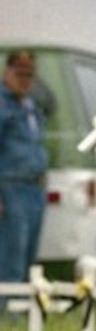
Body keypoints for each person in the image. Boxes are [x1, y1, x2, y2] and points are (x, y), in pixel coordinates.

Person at [0, 49, 49, 298]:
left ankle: (21, 310)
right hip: (11, 188)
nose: (25, 81)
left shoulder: (30, 105)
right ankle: (6, 313)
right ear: (6, 72)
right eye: (20, 74)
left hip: (34, 189)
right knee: (11, 254)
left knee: (29, 255)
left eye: (30, 75)